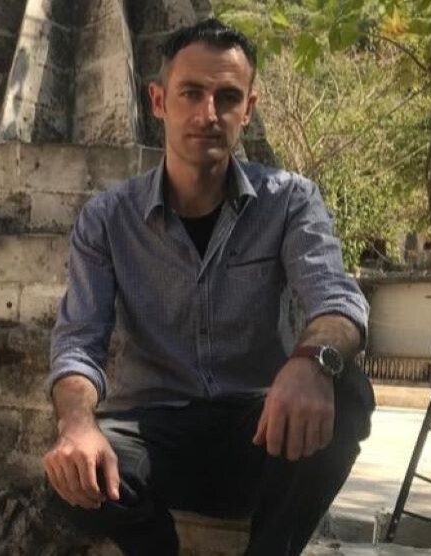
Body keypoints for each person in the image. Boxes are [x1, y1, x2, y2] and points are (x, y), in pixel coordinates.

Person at [43, 18, 375, 556]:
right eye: (191, 93)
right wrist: (76, 422)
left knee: (349, 390)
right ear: (159, 101)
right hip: (154, 436)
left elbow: (336, 298)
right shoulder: (106, 219)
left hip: (260, 433)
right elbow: (79, 342)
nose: (208, 114)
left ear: (249, 108)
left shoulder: (290, 201)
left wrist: (312, 360)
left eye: (227, 97)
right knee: (72, 470)